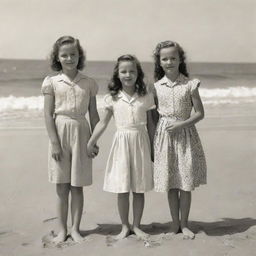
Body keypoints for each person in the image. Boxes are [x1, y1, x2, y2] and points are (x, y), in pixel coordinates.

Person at [87, 54, 155, 240]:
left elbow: (151, 125)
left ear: (138, 73)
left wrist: (154, 149)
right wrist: (91, 141)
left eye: (132, 71)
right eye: (123, 71)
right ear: (117, 74)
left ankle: (137, 226)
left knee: (139, 188)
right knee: (123, 187)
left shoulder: (146, 96)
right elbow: (103, 123)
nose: (128, 74)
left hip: (141, 142)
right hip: (121, 144)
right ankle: (125, 226)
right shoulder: (112, 98)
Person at [41, 36, 99, 243]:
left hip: (82, 133)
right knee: (61, 186)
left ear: (79, 55)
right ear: (57, 57)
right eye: (64, 55)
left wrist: (93, 140)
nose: (69, 58)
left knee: (77, 186)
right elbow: (48, 115)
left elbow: (94, 115)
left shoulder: (89, 83)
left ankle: (75, 228)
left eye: (73, 54)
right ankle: (61, 230)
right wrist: (55, 143)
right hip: (60, 132)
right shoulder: (52, 82)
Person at [152, 40, 207, 239]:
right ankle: (174, 223)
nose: (169, 62)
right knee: (170, 182)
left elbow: (200, 113)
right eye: (164, 58)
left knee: (184, 182)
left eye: (173, 58)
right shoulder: (156, 86)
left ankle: (184, 224)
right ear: (159, 61)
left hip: (185, 136)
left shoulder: (190, 84)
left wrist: (181, 124)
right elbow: (154, 116)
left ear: (180, 59)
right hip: (164, 137)